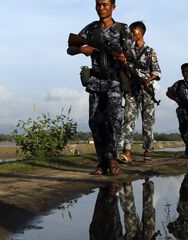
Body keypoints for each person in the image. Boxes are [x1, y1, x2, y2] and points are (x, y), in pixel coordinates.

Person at [67, 0, 132, 175]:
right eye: (98, 5)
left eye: (105, 4)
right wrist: (82, 50)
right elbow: (70, 48)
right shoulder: (90, 29)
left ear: (113, 7)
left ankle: (112, 158)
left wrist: (124, 58)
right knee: (95, 122)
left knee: (113, 120)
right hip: (96, 82)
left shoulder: (122, 29)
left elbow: (130, 53)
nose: (101, 8)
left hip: (114, 82)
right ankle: (102, 161)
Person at [119, 21, 161, 163]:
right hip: (131, 90)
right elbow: (123, 69)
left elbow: (156, 72)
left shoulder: (150, 51)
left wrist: (147, 81)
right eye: (130, 32)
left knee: (147, 122)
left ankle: (147, 149)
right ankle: (127, 151)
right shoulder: (127, 51)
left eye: (134, 32)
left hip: (147, 91)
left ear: (141, 32)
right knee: (128, 120)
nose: (131, 34)